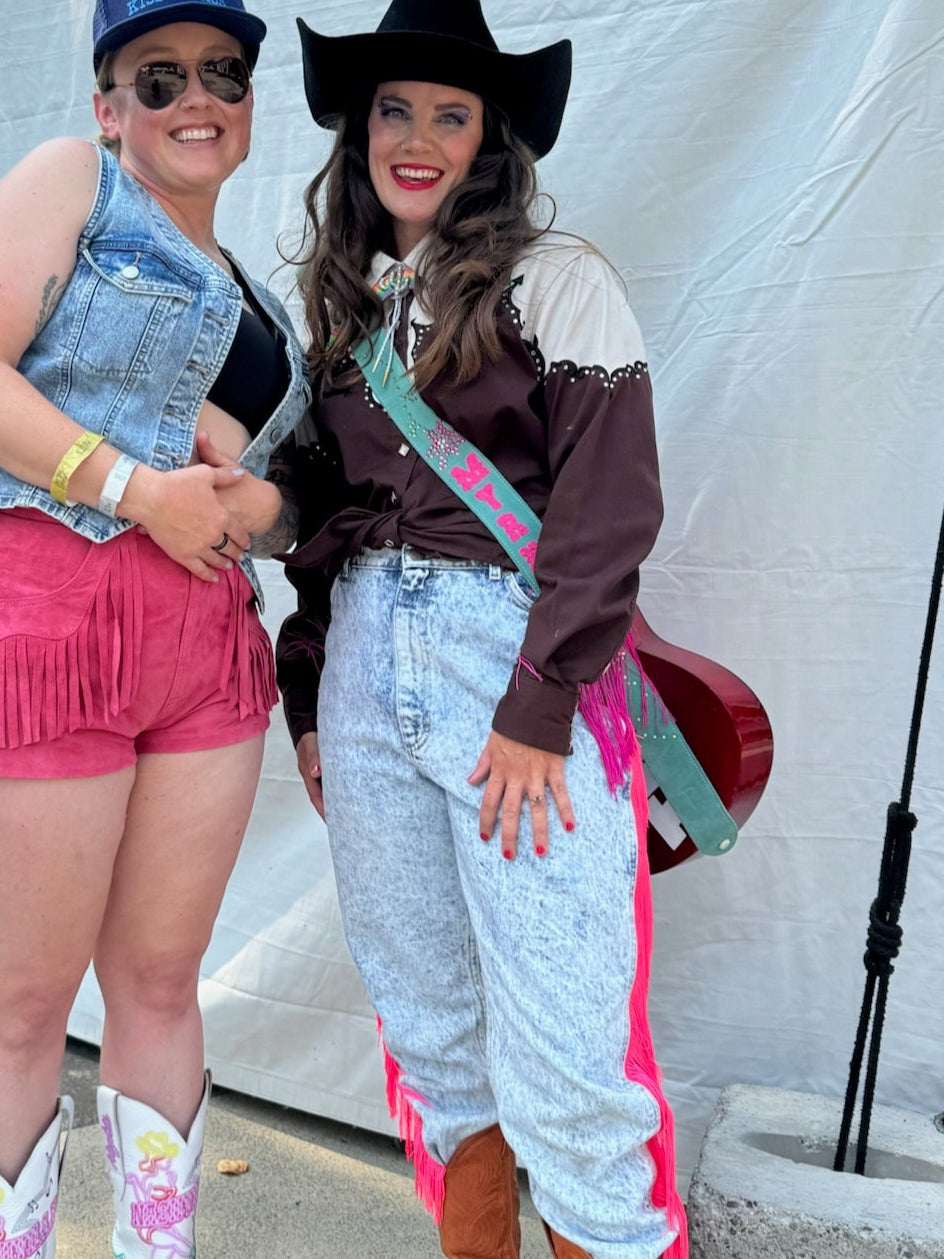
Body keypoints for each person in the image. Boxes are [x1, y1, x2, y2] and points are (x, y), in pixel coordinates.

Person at [277, 1, 687, 1256]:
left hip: (505, 670)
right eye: (392, 109)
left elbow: (607, 514)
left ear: (488, 140)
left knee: (566, 1055)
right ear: (357, 135)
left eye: (448, 115)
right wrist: (309, 705)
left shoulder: (557, 283)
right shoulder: (343, 309)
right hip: (361, 673)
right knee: (437, 1044)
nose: (415, 137)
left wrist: (535, 703)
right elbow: (325, 531)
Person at [0, 1, 308, 1255]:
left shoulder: (263, 307)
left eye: (222, 72)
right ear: (108, 102)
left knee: (161, 981)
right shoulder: (71, 182)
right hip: (56, 621)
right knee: (24, 1003)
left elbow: (291, 515)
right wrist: (133, 485)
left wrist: (258, 493)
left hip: (203, 653)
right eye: (160, 73)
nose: (198, 95)